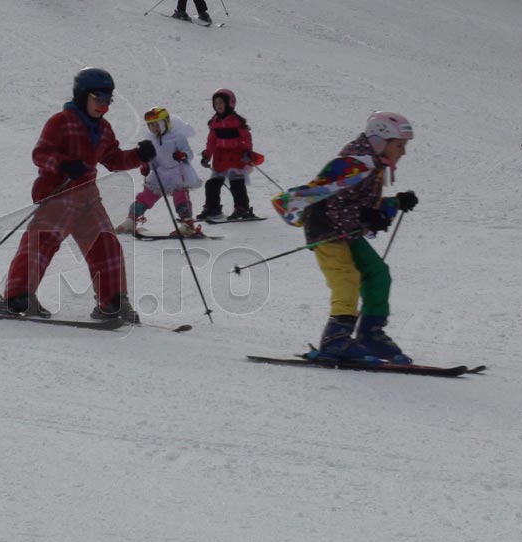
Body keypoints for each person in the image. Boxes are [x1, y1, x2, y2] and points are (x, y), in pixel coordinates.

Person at [0, 68, 156, 321]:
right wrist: (64, 164)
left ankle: (113, 302)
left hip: (88, 198)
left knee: (107, 245)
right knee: (42, 242)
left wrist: (138, 156)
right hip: (60, 194)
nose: (103, 106)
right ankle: (18, 296)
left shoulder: (104, 129)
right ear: (82, 95)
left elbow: (114, 159)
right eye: (98, 99)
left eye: (108, 101)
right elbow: (40, 154)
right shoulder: (61, 121)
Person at [271, 111, 419, 363]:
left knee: (378, 272)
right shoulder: (354, 164)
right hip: (326, 230)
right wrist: (369, 215)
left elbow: (359, 206)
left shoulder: (373, 165)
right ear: (381, 141)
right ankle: (335, 339)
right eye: (399, 145)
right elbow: (332, 203)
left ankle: (370, 334)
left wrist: (393, 204)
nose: (403, 152)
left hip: (346, 231)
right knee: (347, 279)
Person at [115, 107, 203, 236]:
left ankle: (187, 223)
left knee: (180, 198)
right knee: (146, 196)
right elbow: (153, 159)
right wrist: (147, 166)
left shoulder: (177, 137)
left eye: (158, 124)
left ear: (166, 122)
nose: (155, 128)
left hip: (177, 172)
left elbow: (189, 153)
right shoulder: (152, 140)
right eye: (151, 125)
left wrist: (182, 155)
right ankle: (131, 219)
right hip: (160, 173)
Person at [197, 89, 257, 221]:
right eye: (215, 103)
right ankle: (213, 208)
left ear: (230, 103)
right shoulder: (215, 123)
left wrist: (247, 152)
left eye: (221, 102)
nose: (218, 105)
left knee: (236, 184)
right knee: (212, 184)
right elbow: (211, 141)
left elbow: (247, 138)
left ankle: (242, 208)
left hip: (236, 157)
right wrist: (207, 155)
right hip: (220, 158)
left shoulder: (237, 122)